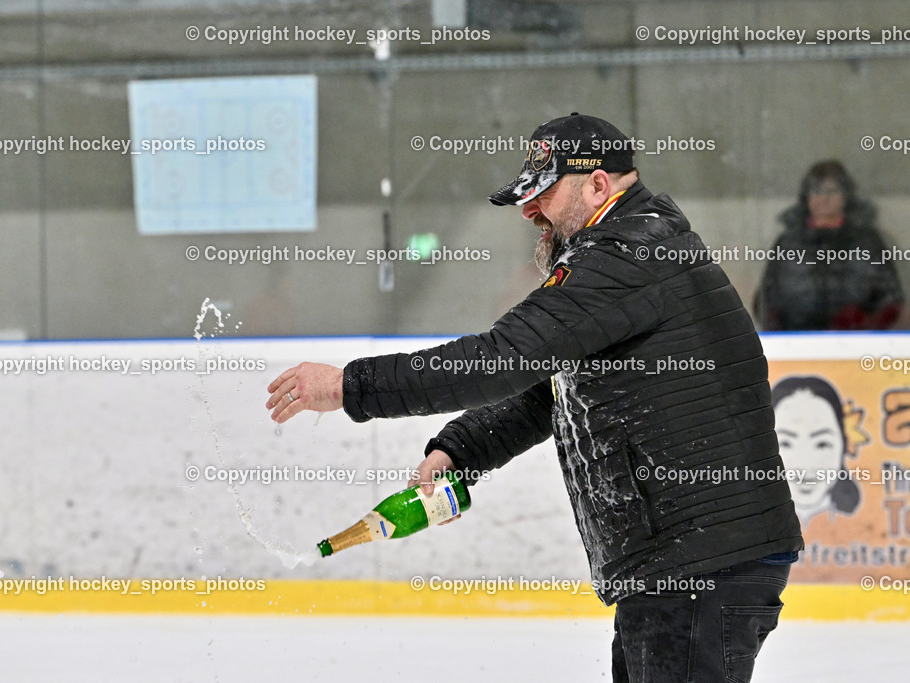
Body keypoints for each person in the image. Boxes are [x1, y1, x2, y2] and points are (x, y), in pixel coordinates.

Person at [266, 113, 804, 682]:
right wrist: (462, 449)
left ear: (598, 185)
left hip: (699, 561)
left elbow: (500, 359)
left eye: (545, 192)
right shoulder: (636, 251)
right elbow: (548, 389)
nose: (530, 210)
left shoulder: (626, 257)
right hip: (691, 559)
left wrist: (350, 385)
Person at [753, 160, 905, 330]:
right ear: (806, 196)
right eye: (816, 191)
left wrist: (863, 323)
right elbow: (765, 302)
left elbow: (891, 300)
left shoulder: (867, 241)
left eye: (832, 191)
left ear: (846, 195)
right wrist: (785, 338)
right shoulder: (787, 243)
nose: (823, 198)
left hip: (859, 346)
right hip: (795, 348)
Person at [772, 376, 861, 524]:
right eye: (786, 444)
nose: (804, 465)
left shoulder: (858, 528)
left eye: (822, 444)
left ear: (843, 445)